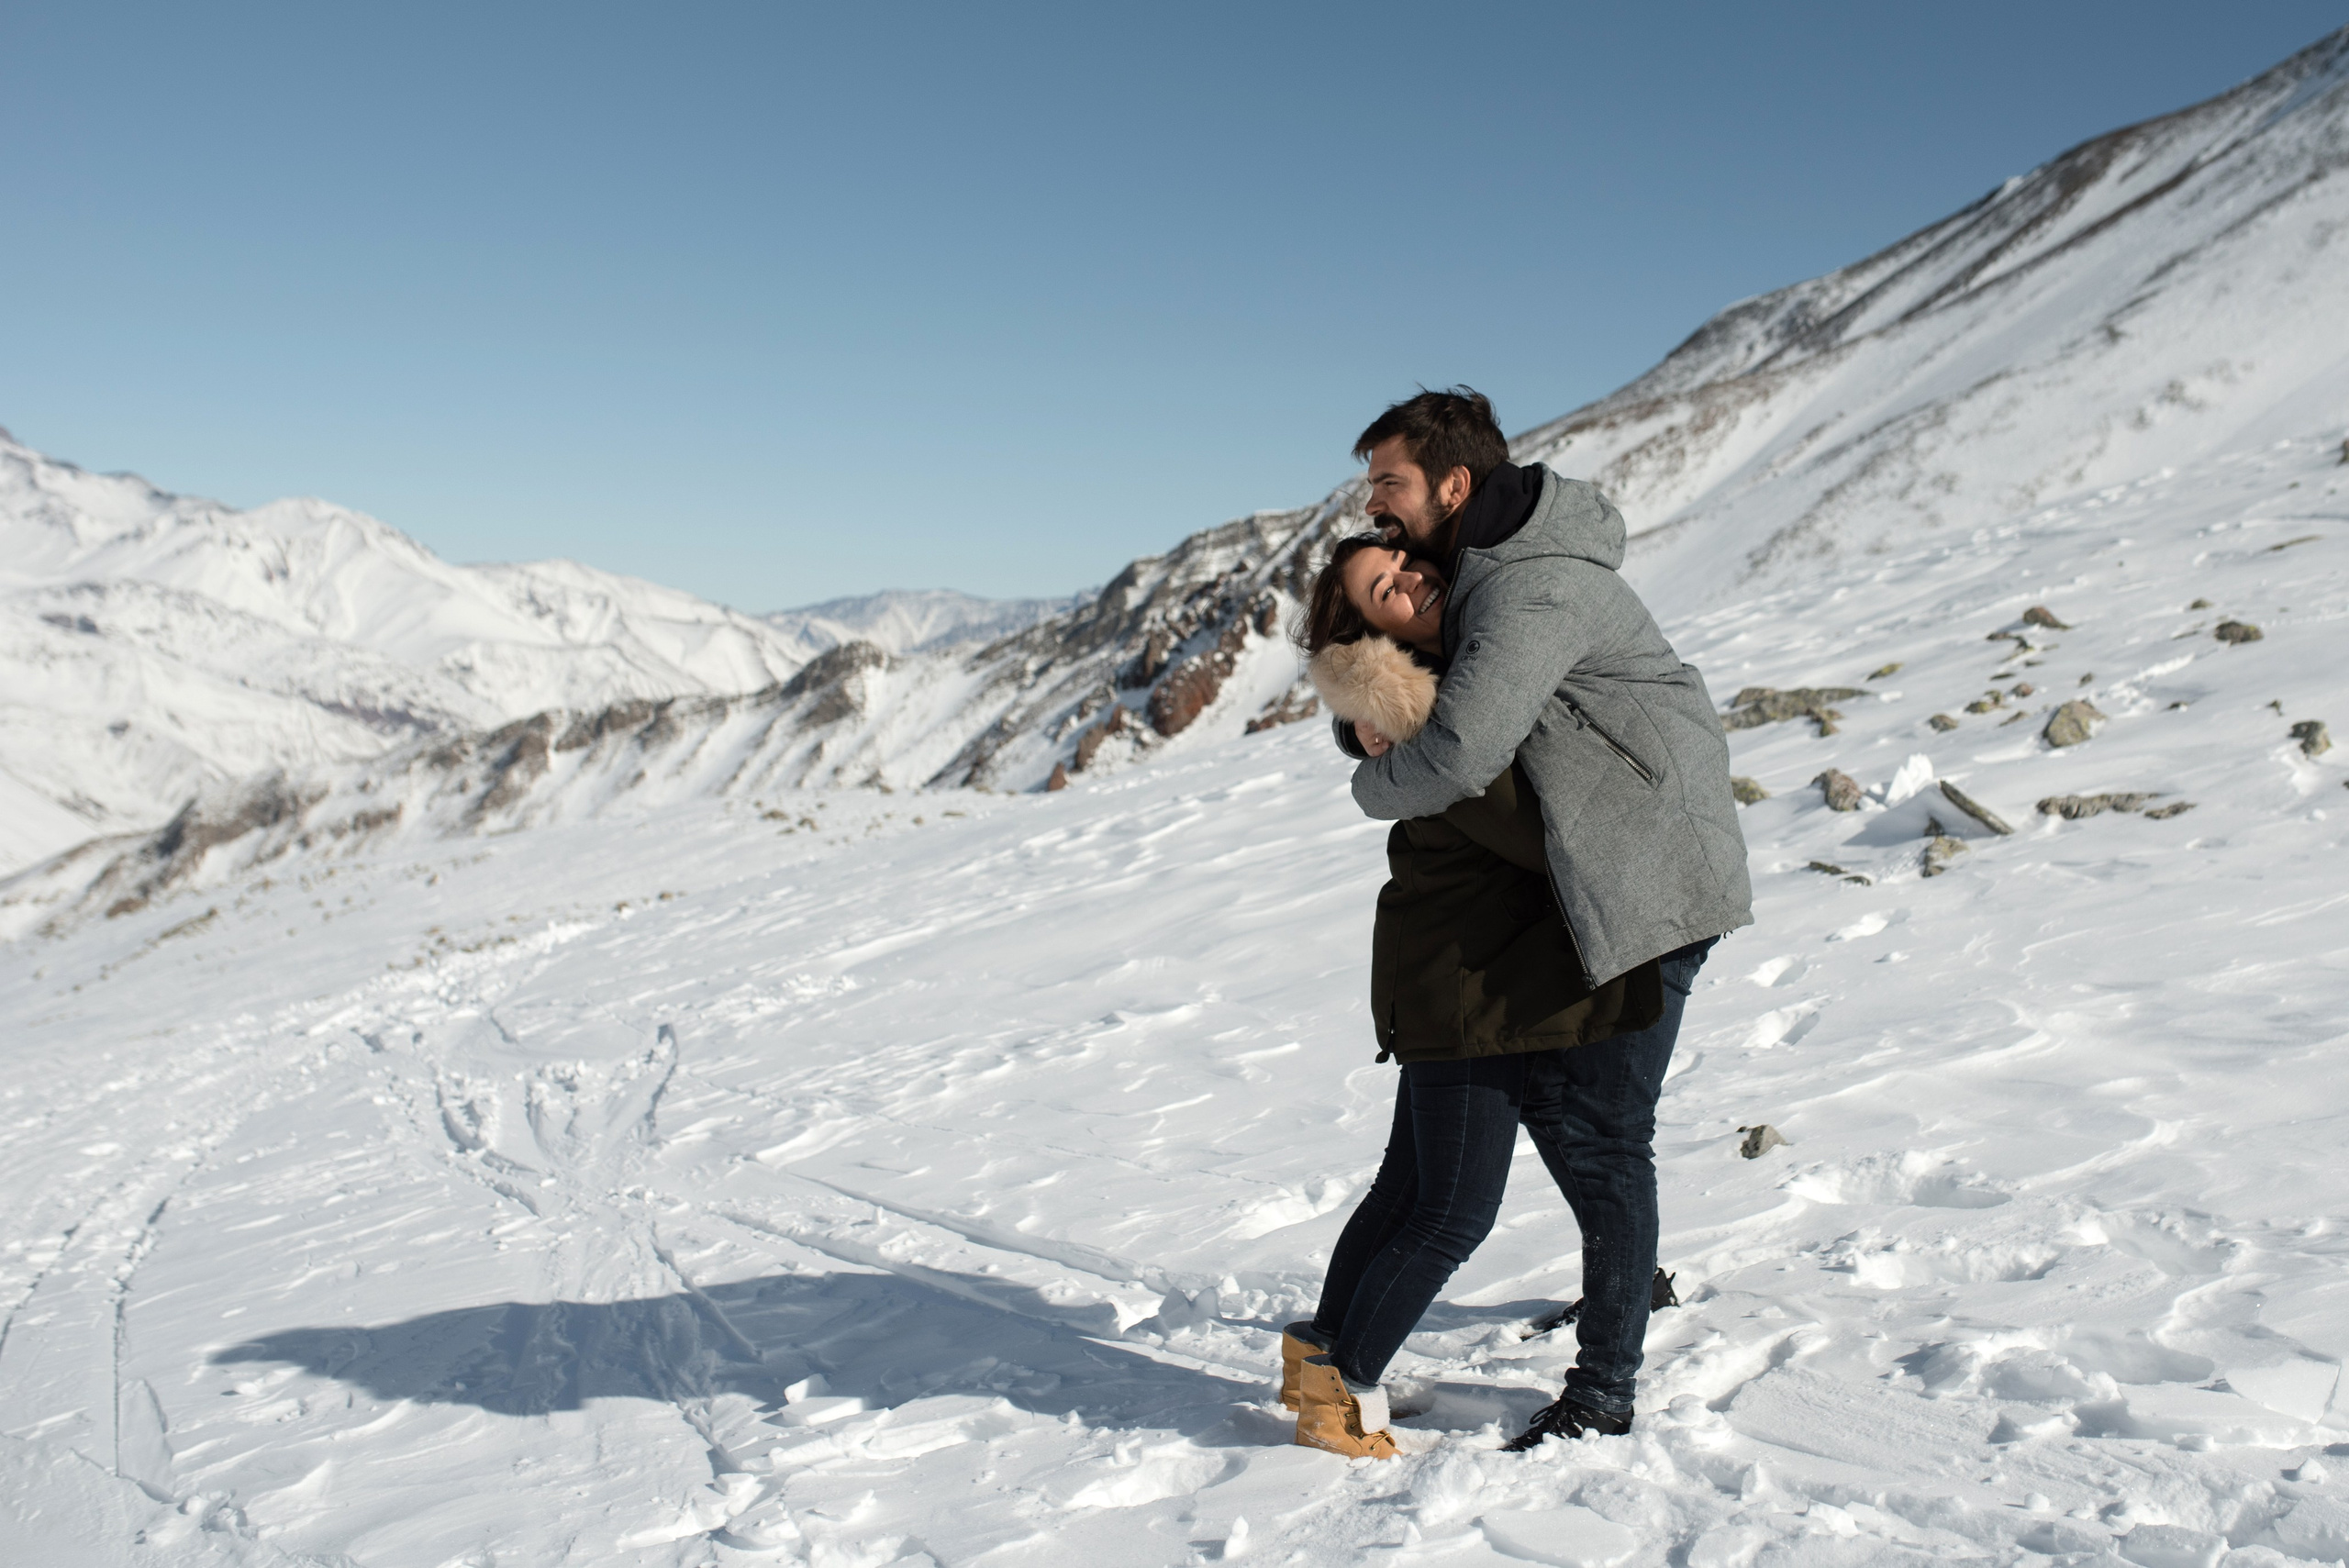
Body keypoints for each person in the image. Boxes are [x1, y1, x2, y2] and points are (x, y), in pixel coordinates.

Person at [1284, 390, 1753, 1457]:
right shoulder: (1490, 576)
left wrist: (1366, 775)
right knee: (1562, 1138)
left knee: (1595, 1138)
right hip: (1597, 885)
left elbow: (1456, 755)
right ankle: (1621, 1297)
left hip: (1644, 887)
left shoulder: (1525, 587)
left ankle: (1606, 1379)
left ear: (1453, 486)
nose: (1378, 510)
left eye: (1390, 486)